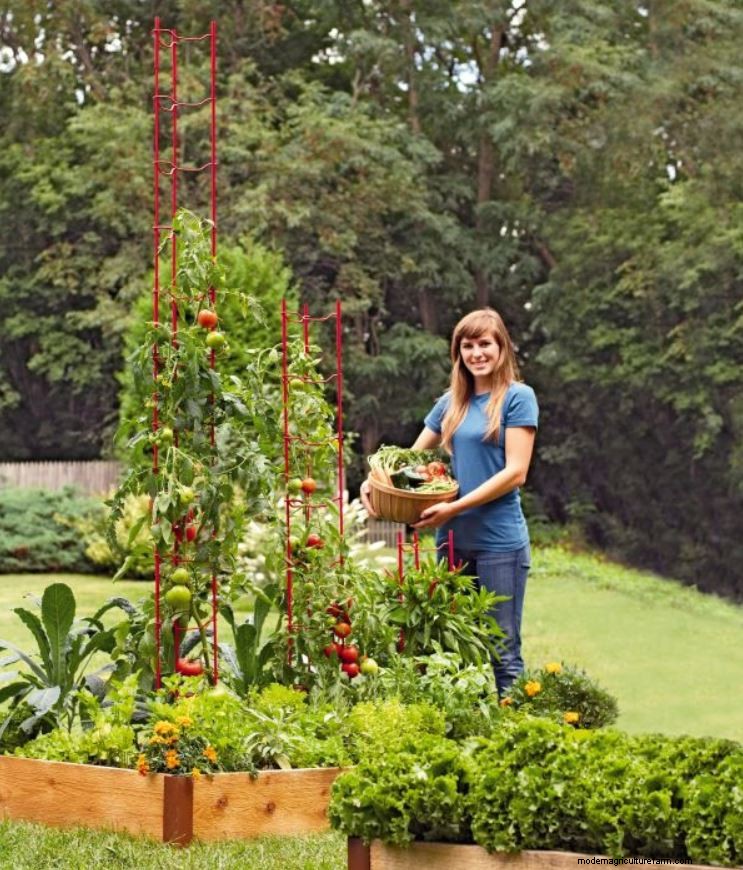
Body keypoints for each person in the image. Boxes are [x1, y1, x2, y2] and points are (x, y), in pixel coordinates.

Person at [360, 308, 538, 695]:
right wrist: (374, 482)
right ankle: (468, 738)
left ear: (502, 348)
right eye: (467, 345)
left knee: (502, 649)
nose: (477, 353)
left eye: (484, 344)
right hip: (453, 541)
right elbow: (408, 460)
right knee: (456, 646)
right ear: (458, 352)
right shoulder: (451, 403)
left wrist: (455, 507)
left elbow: (515, 472)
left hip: (499, 541)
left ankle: (517, 739)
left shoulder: (517, 399)